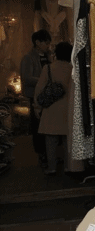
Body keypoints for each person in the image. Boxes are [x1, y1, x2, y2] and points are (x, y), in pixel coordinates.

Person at [34, 42, 73, 175]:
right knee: (68, 140)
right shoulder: (73, 69)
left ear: (56, 53)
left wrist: (37, 107)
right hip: (68, 109)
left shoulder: (48, 68)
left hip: (51, 109)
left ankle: (52, 168)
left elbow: (39, 88)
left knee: (50, 141)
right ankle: (68, 166)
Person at [20, 29, 52, 166]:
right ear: (37, 42)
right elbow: (26, 78)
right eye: (46, 43)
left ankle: (50, 153)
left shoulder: (49, 56)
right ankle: (41, 153)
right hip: (35, 96)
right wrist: (44, 80)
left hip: (48, 96)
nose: (48, 46)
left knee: (48, 125)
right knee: (38, 126)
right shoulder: (28, 58)